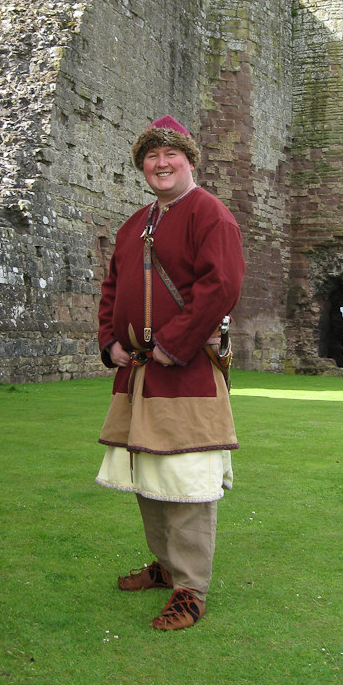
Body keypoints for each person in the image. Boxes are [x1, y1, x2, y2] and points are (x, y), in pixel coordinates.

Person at [96, 115, 245, 631]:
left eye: (170, 156)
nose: (160, 165)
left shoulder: (211, 214)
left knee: (186, 479)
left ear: (188, 161)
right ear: (143, 167)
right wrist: (109, 342)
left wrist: (173, 345)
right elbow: (112, 288)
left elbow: (219, 287)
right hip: (137, 373)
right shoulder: (135, 223)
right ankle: (164, 567)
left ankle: (191, 590)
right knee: (148, 476)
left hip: (184, 373)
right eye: (151, 158)